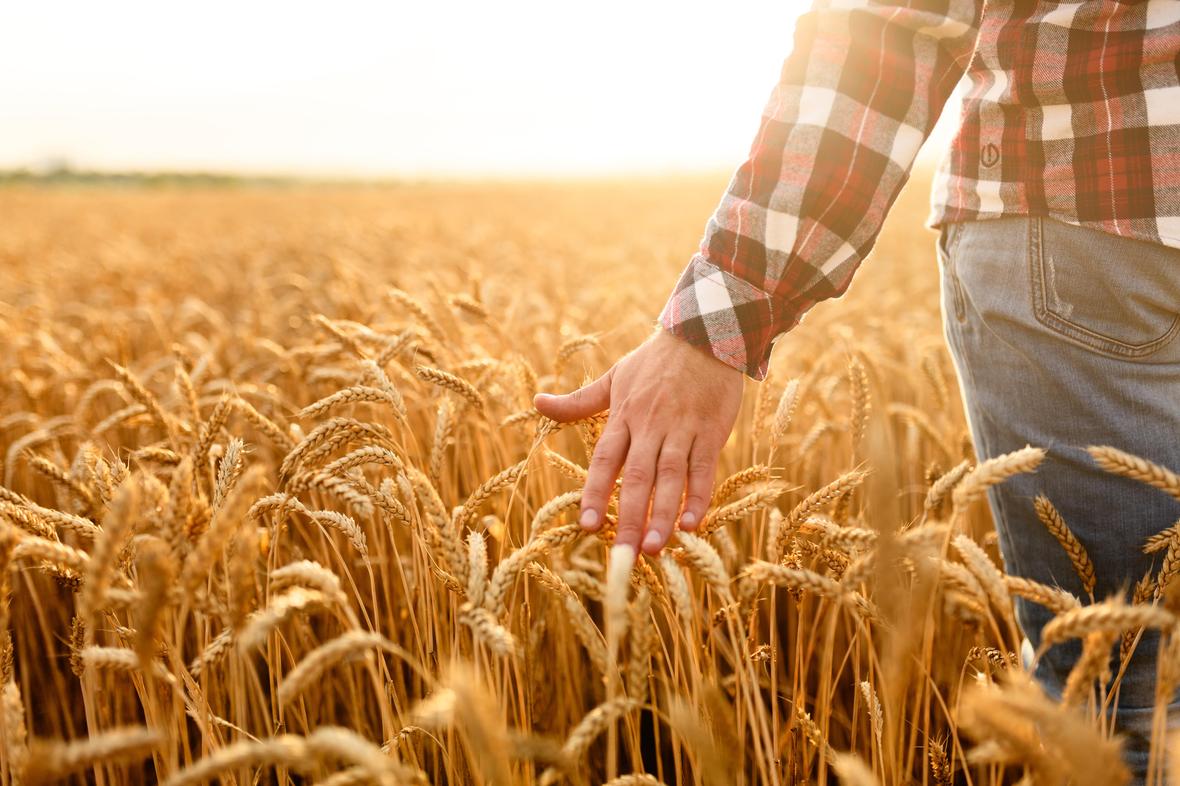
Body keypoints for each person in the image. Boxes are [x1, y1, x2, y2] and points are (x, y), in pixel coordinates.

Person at [534, 0, 1180, 778]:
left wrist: (725, 307)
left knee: (1122, 704)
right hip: (1103, 239)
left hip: (1086, 216)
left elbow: (896, 24)